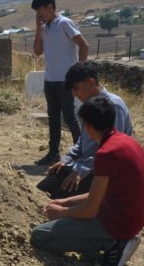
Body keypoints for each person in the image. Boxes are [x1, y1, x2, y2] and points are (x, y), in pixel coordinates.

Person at [30, 95, 144, 266]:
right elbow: (99, 194)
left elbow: (90, 210)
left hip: (117, 223)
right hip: (132, 219)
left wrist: (62, 213)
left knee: (39, 235)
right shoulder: (126, 141)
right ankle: (113, 240)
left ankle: (112, 243)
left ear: (87, 126)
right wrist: (66, 202)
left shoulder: (106, 153)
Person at [37, 61, 133, 199]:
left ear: (91, 82)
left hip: (101, 170)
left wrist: (81, 171)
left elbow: (111, 152)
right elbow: (83, 139)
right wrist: (68, 159)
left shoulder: (113, 106)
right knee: (41, 190)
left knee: (55, 197)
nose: (75, 94)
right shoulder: (89, 105)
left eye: (76, 88)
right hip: (83, 164)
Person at [32, 0, 89, 165]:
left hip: (66, 80)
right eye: (37, 13)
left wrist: (79, 72)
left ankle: (81, 153)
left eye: (40, 11)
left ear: (50, 7)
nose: (39, 15)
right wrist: (37, 28)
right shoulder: (45, 27)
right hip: (50, 79)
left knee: (70, 117)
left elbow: (84, 45)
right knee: (53, 117)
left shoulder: (64, 23)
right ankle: (53, 153)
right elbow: (37, 51)